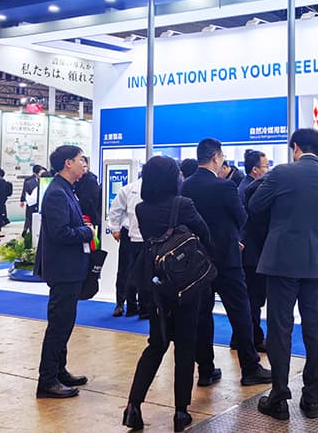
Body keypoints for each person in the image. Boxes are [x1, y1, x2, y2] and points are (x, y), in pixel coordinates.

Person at [249, 129, 318, 421]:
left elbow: (255, 206)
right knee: (315, 329)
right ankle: (312, 400)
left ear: (296, 148)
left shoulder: (280, 173)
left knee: (280, 329)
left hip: (281, 260)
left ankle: (279, 396)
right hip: (316, 261)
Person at [122, 156, 211, 433]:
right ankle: (181, 413)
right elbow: (204, 233)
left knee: (157, 343)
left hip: (155, 283)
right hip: (185, 284)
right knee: (185, 345)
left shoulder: (142, 209)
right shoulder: (183, 204)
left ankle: (133, 407)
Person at [182, 138, 271, 388]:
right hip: (227, 259)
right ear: (216, 157)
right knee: (240, 312)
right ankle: (250, 367)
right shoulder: (225, 187)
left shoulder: (186, 186)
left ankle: (206, 370)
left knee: (202, 315)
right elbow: (242, 217)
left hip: (198, 261)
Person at [34, 145, 94, 399]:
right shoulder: (57, 193)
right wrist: (86, 232)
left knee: (65, 322)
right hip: (63, 269)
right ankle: (47, 380)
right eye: (81, 160)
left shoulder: (66, 189)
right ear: (68, 163)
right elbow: (60, 233)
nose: (84, 164)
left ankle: (59, 370)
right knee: (59, 324)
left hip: (70, 267)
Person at [231, 149, 270, 353]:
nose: (268, 169)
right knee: (253, 299)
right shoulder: (251, 189)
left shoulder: (244, 186)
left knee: (249, 298)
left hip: (248, 251)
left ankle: (240, 338)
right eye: (266, 166)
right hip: (252, 252)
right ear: (255, 169)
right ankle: (253, 338)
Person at [109, 177, 147, 318]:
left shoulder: (159, 188)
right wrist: (115, 228)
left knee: (145, 273)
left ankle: (143, 307)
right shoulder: (128, 189)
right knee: (125, 271)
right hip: (128, 234)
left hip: (148, 235)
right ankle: (121, 303)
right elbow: (115, 210)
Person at [20, 164, 46, 238]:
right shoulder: (29, 180)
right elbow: (25, 191)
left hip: (40, 203)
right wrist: (22, 200)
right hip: (31, 203)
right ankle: (29, 232)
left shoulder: (44, 180)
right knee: (29, 217)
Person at [75, 156, 101, 227]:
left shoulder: (90, 181)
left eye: (84, 166)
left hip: (90, 217)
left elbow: (90, 201)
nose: (83, 169)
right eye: (81, 167)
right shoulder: (76, 181)